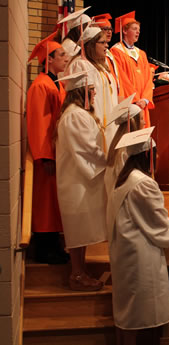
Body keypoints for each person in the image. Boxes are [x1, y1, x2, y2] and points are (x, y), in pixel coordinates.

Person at [106, 128, 169, 345]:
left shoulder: (123, 178)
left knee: (126, 316)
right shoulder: (144, 183)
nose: (158, 157)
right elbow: (156, 225)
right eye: (155, 153)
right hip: (140, 258)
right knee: (138, 317)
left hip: (125, 253)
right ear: (147, 156)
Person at [55, 70, 107, 291]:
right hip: (75, 182)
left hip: (80, 179)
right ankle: (77, 275)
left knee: (82, 230)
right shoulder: (74, 115)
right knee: (77, 231)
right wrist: (110, 158)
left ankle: (80, 272)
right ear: (81, 92)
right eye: (91, 90)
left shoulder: (77, 113)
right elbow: (87, 148)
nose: (94, 94)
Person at [27, 33, 69, 264]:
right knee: (45, 204)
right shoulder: (40, 85)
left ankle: (54, 246)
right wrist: (44, 156)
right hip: (46, 155)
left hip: (57, 152)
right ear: (49, 59)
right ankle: (44, 249)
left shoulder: (57, 84)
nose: (66, 58)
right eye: (61, 55)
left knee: (54, 203)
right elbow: (38, 123)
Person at [65, 26, 119, 150]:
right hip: (94, 122)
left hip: (108, 122)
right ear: (91, 44)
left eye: (107, 42)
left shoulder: (101, 66)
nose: (106, 46)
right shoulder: (81, 64)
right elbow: (83, 96)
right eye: (102, 42)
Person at [110, 11, 154, 128]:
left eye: (139, 29)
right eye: (134, 29)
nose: (138, 32)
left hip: (142, 105)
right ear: (124, 31)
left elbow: (148, 80)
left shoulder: (141, 54)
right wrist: (135, 100)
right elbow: (121, 79)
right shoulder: (116, 51)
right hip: (129, 104)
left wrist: (144, 99)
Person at [104, 101, 144, 197]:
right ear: (133, 122)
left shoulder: (118, 146)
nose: (145, 122)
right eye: (142, 119)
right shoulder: (125, 150)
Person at [91, 13, 123, 97]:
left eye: (110, 29)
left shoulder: (109, 53)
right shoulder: (95, 54)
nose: (109, 32)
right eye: (105, 29)